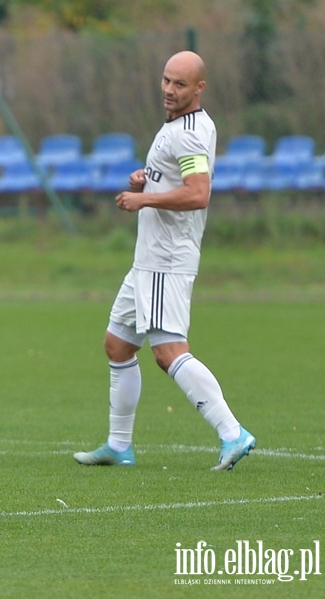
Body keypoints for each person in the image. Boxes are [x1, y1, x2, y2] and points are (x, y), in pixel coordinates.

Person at [73, 51, 255, 471]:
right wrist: (147, 179)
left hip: (166, 259)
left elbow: (198, 193)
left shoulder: (188, 134)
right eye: (166, 81)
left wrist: (144, 198)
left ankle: (232, 432)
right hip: (148, 259)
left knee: (169, 351)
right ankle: (119, 446)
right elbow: (178, 179)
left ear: (199, 89)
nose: (170, 91)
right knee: (117, 344)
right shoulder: (180, 126)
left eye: (180, 85)